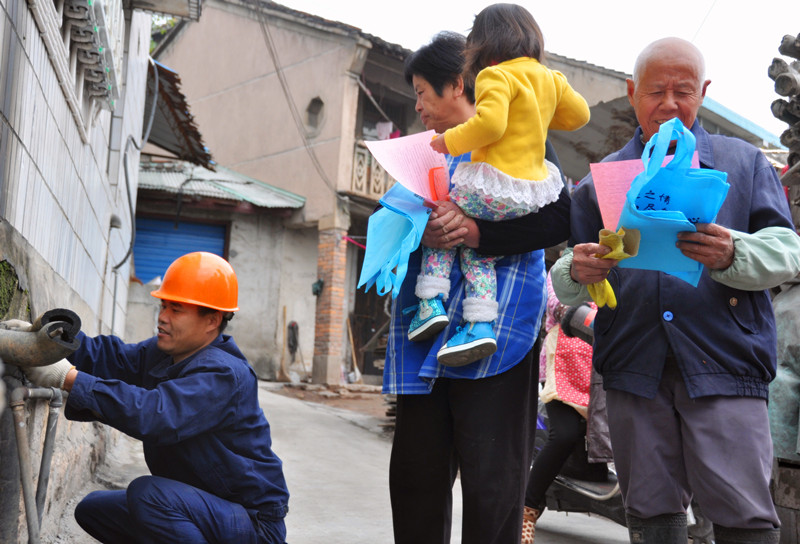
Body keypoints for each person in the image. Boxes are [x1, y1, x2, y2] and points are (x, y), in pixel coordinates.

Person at [550, 37, 800, 544]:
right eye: (655, 91)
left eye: (683, 91)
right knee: (651, 513)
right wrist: (579, 271)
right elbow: (570, 278)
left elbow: (788, 251)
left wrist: (734, 253)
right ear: (632, 93)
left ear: (703, 92)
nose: (669, 104)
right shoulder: (603, 182)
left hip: (725, 364)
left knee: (744, 514)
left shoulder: (743, 164)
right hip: (634, 367)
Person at [385, 31, 572, 544]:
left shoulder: (523, 138)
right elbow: (390, 227)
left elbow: (560, 219)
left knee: (494, 484)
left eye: (423, 92)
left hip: (501, 334)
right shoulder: (422, 151)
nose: (418, 106)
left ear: (457, 84)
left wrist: (477, 232)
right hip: (426, 334)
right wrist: (421, 232)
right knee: (416, 477)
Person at [24, 252, 290, 544]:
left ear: (212, 320)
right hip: (204, 506)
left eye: (176, 309)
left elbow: (158, 415)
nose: (162, 317)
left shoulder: (223, 374)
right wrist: (56, 338)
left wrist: (68, 378)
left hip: (252, 523)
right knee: (95, 510)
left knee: (148, 496)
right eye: (163, 306)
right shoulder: (168, 353)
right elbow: (112, 358)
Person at [410, 3, 590, 367]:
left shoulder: (495, 76)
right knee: (477, 253)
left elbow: (490, 126)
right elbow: (580, 115)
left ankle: (430, 300)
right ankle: (479, 324)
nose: (417, 105)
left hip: (493, 190)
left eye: (420, 92)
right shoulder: (550, 79)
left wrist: (450, 142)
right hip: (529, 192)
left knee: (445, 214)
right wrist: (539, 104)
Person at [522, 271, 597, 543]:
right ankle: (527, 509)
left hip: (602, 369)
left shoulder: (618, 274)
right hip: (562, 366)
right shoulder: (563, 271)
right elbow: (556, 304)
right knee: (565, 434)